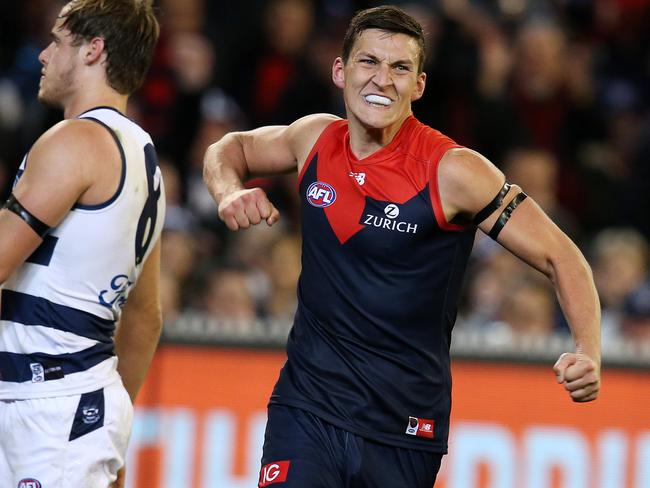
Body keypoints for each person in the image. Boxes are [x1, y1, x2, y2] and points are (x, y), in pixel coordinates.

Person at [203, 6, 601, 487]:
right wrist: (229, 192)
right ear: (340, 71)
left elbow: (562, 255)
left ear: (419, 85)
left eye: (400, 68)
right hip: (307, 407)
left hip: (404, 428)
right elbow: (233, 148)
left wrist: (589, 350)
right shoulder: (313, 139)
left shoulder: (453, 171)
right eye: (369, 62)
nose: (382, 80)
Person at [0, 1, 164, 487]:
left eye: (57, 41)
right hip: (77, 406)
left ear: (94, 50)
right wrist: (107, 422)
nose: (44, 55)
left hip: (49, 406)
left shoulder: (75, 141)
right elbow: (145, 317)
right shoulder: (146, 159)